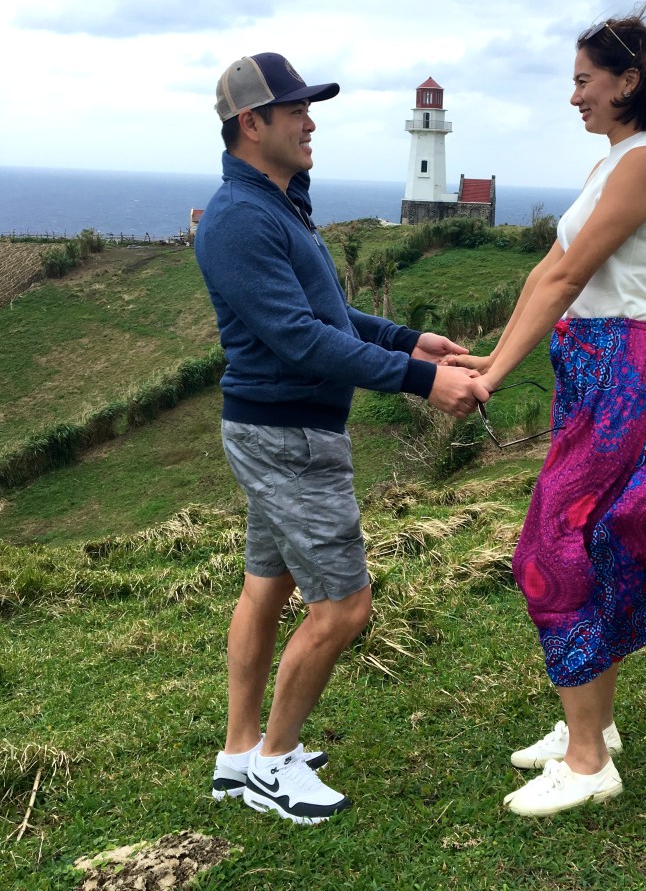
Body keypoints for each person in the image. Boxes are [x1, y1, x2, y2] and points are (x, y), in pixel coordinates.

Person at [446, 0, 646, 818]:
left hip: (615, 364)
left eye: (583, 80)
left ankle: (586, 763)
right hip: (587, 362)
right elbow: (547, 272)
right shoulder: (611, 162)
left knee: (552, 548)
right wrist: (490, 358)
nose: (573, 95)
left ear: (627, 81)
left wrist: (493, 379)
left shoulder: (645, 162)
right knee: (590, 539)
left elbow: (573, 278)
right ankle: (592, 728)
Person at [195, 52, 487, 825]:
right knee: (345, 607)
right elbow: (298, 338)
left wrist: (408, 340)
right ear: (251, 123)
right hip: (288, 435)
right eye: (296, 110)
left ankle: (239, 753)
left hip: (278, 428)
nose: (310, 122)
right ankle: (274, 764)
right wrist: (421, 381)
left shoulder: (275, 204)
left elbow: (325, 312)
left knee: (267, 588)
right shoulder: (241, 218)